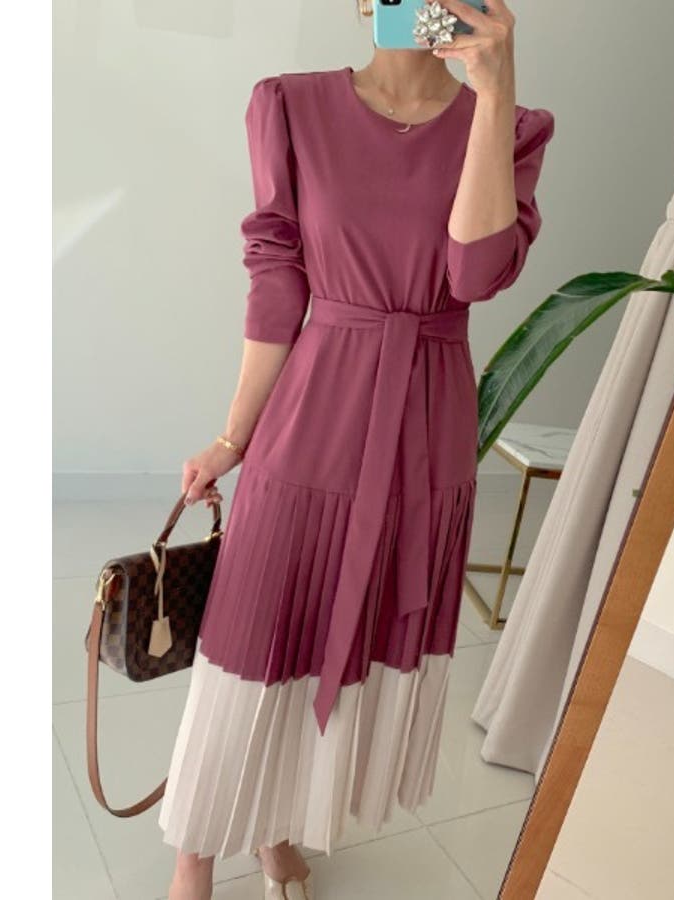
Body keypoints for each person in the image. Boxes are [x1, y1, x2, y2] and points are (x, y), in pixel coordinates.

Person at [161, 1, 554, 897]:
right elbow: (277, 281)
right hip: (315, 407)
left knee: (353, 639)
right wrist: (232, 436)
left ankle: (277, 824)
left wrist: (494, 93)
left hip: (426, 426)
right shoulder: (289, 105)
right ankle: (195, 853)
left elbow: (474, 275)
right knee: (255, 633)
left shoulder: (515, 125)